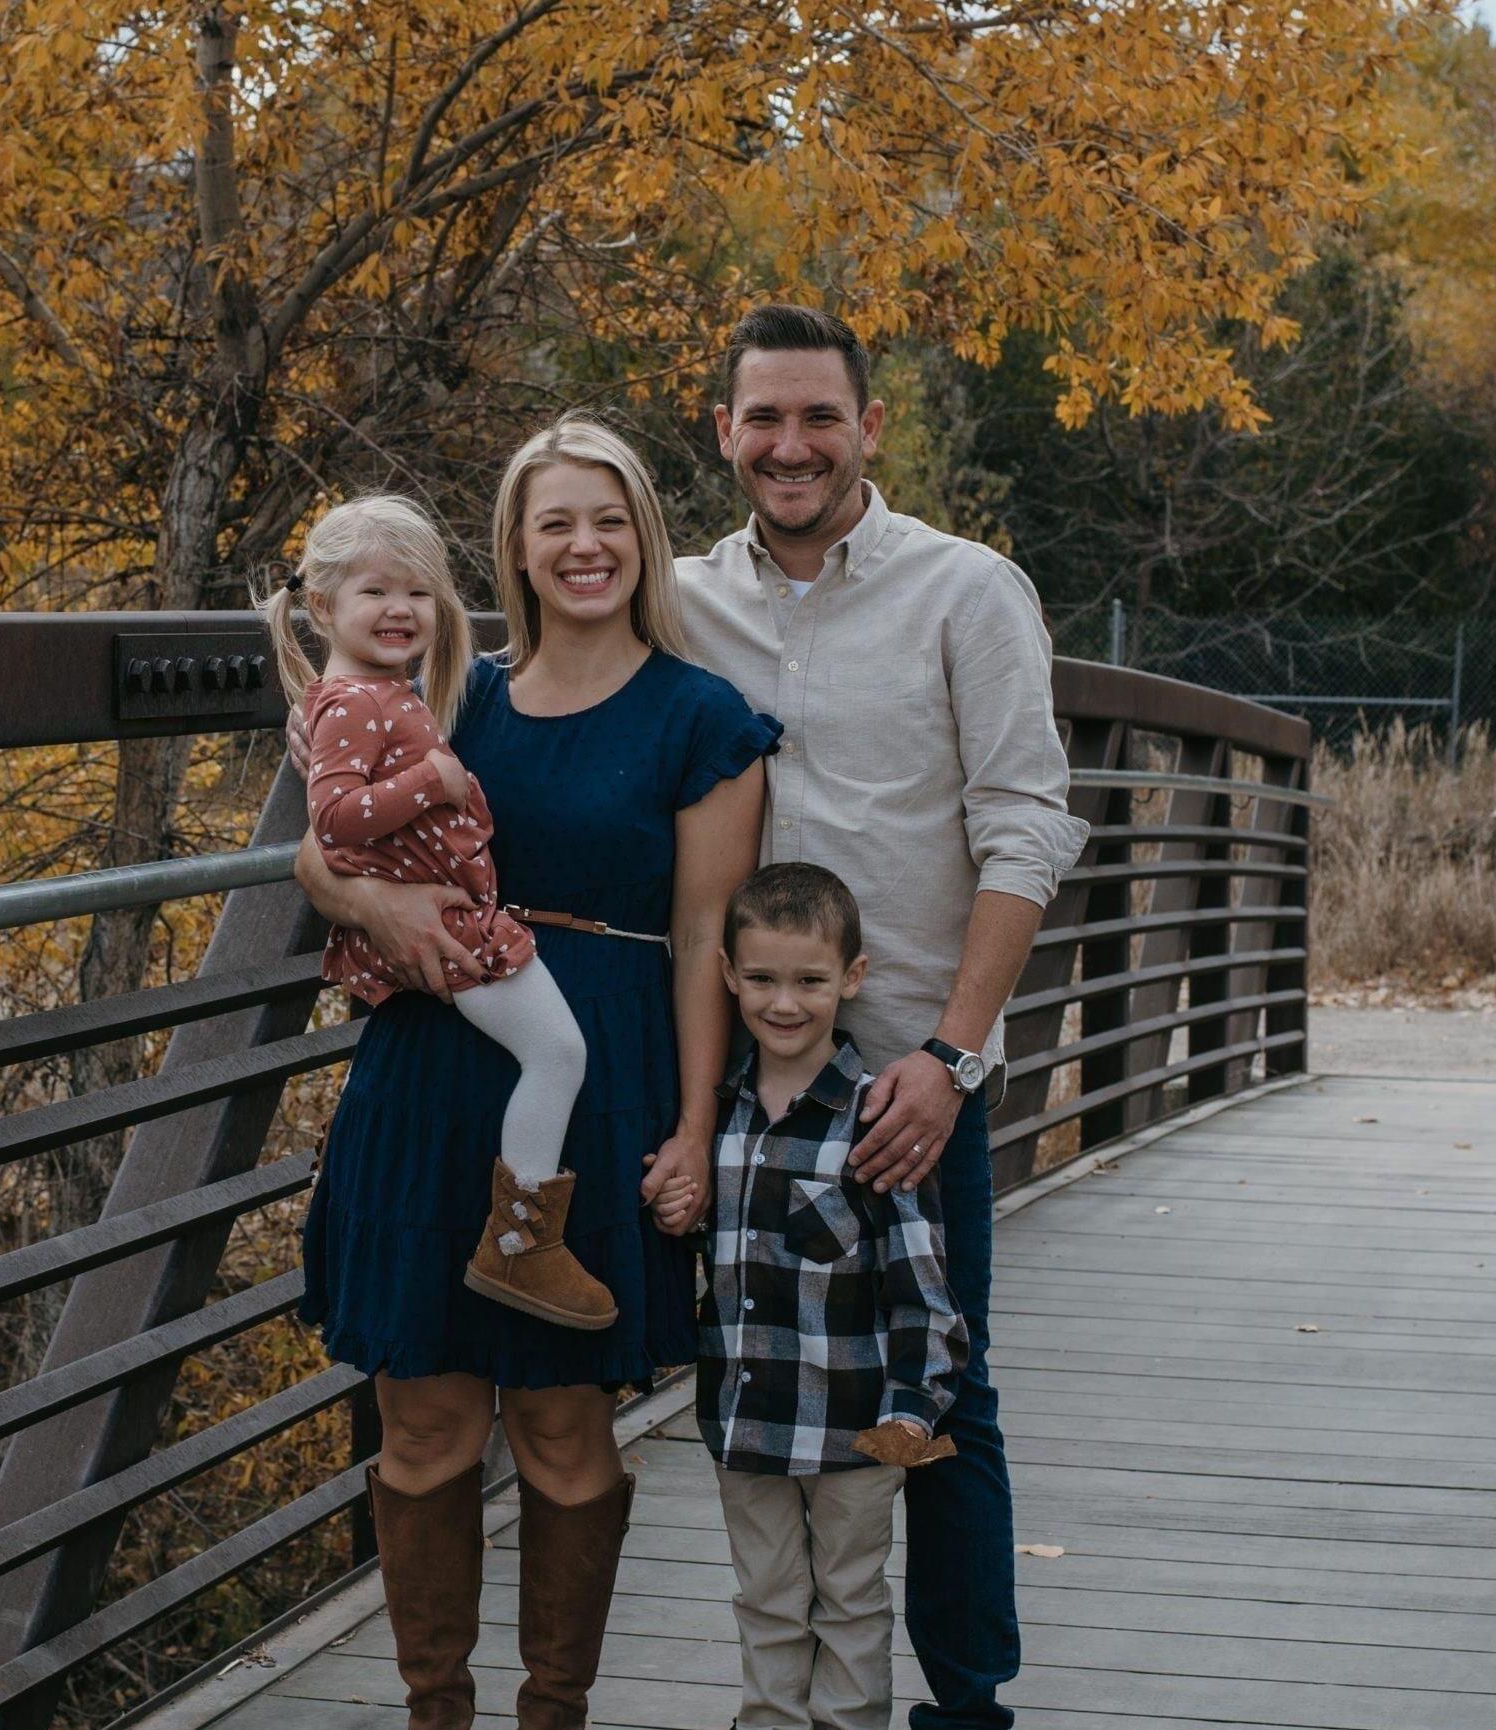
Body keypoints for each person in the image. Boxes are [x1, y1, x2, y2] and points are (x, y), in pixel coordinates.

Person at [290, 416, 776, 1730]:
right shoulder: (451, 692)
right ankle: (433, 1711)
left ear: (644, 539)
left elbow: (703, 942)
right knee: (424, 1415)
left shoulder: (700, 717)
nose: (583, 545)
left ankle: (553, 1710)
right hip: (429, 1067)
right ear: (511, 546)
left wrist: (692, 1124)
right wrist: (365, 901)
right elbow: (322, 844)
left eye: (608, 519)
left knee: (564, 1423)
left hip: (594, 1079)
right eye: (554, 521)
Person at [676, 306, 1090, 1730]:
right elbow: (547, 694)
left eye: (819, 416)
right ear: (722, 431)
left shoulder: (966, 591)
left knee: (943, 1392)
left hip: (911, 1079)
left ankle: (967, 1709)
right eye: (763, 417)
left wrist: (951, 1056)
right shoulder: (680, 600)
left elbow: (1027, 826)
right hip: (738, 1092)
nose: (790, 445)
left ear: (868, 426)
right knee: (746, 1382)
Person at [259, 493, 616, 1331]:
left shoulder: (381, 691)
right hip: (451, 933)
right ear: (323, 607)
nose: (401, 609)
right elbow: (334, 821)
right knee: (558, 1052)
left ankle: (521, 1237)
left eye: (418, 592)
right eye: (377, 592)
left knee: (551, 1054)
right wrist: (434, 781)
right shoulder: (355, 701)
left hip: (455, 919)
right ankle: (522, 1242)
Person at [679, 862, 967, 1730]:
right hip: (744, 1421)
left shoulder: (876, 1121)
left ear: (853, 977)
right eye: (761, 979)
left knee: (849, 1600)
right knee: (765, 1599)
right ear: (728, 975)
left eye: (810, 980)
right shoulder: (715, 1118)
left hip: (854, 1428)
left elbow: (924, 1293)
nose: (784, 1002)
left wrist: (912, 1414)